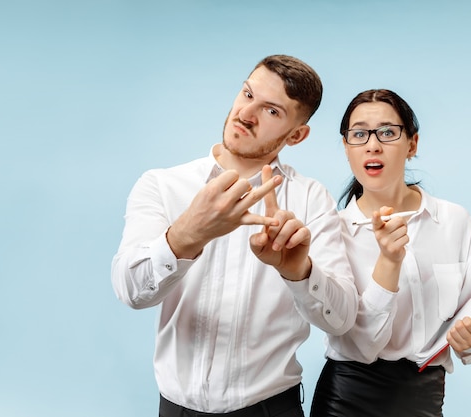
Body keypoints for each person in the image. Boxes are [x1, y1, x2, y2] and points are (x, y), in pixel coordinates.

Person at [111, 55, 358, 417]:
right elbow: (130, 291)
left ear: (297, 135)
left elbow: (341, 320)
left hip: (271, 410)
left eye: (271, 111)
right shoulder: (162, 185)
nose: (246, 114)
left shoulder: (310, 199)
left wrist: (299, 272)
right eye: (246, 95)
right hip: (177, 410)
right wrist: (186, 235)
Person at [310, 89, 471, 417]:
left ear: (412, 144)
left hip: (424, 399)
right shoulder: (332, 232)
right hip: (347, 399)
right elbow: (361, 345)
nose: (372, 144)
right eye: (359, 134)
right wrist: (390, 261)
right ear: (346, 147)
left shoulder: (454, 221)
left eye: (387, 132)